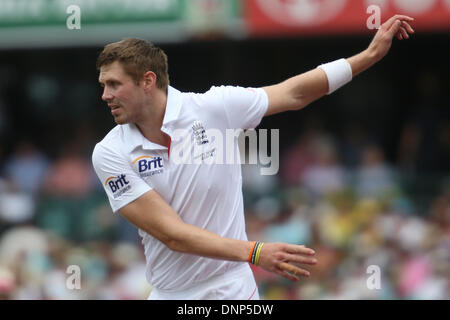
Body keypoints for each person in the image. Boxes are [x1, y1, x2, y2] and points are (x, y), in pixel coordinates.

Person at [92, 15, 415, 300]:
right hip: (170, 293)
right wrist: (255, 251)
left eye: (114, 84)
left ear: (147, 81)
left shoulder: (213, 108)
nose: (105, 95)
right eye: (104, 85)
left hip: (232, 287)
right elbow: (171, 234)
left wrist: (369, 56)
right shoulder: (109, 152)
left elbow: (293, 93)